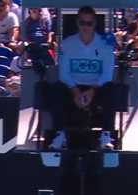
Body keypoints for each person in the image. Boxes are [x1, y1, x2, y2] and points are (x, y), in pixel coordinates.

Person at [47, 6, 117, 151]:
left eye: (89, 23)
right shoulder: (67, 43)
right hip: (74, 87)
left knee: (111, 89)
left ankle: (106, 136)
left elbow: (107, 73)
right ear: (77, 23)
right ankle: (60, 135)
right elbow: (64, 73)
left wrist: (92, 91)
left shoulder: (105, 44)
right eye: (82, 23)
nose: (85, 26)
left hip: (96, 88)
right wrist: (75, 91)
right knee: (55, 89)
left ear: (95, 24)